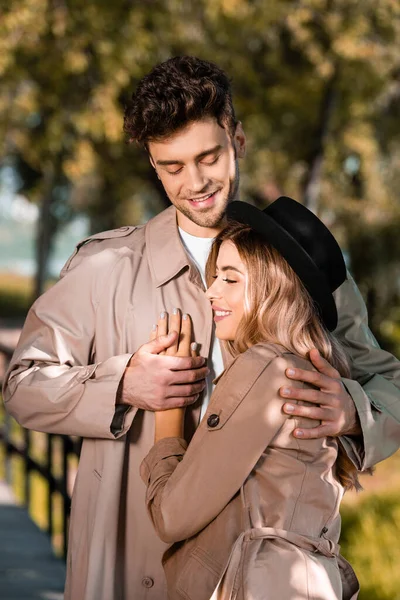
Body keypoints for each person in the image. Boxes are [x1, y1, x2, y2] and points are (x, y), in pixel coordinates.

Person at [2, 56, 400, 600]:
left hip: (260, 580)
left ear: (238, 138)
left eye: (209, 157)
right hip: (128, 568)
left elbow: (390, 385)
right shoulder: (104, 267)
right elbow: (22, 385)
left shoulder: (306, 269)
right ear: (151, 162)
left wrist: (353, 409)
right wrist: (122, 385)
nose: (195, 183)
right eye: (171, 166)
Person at [140, 196, 361, 600]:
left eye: (230, 278)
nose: (211, 293)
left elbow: (171, 516)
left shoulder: (266, 367)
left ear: (273, 288)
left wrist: (168, 414)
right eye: (214, 276)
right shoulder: (309, 370)